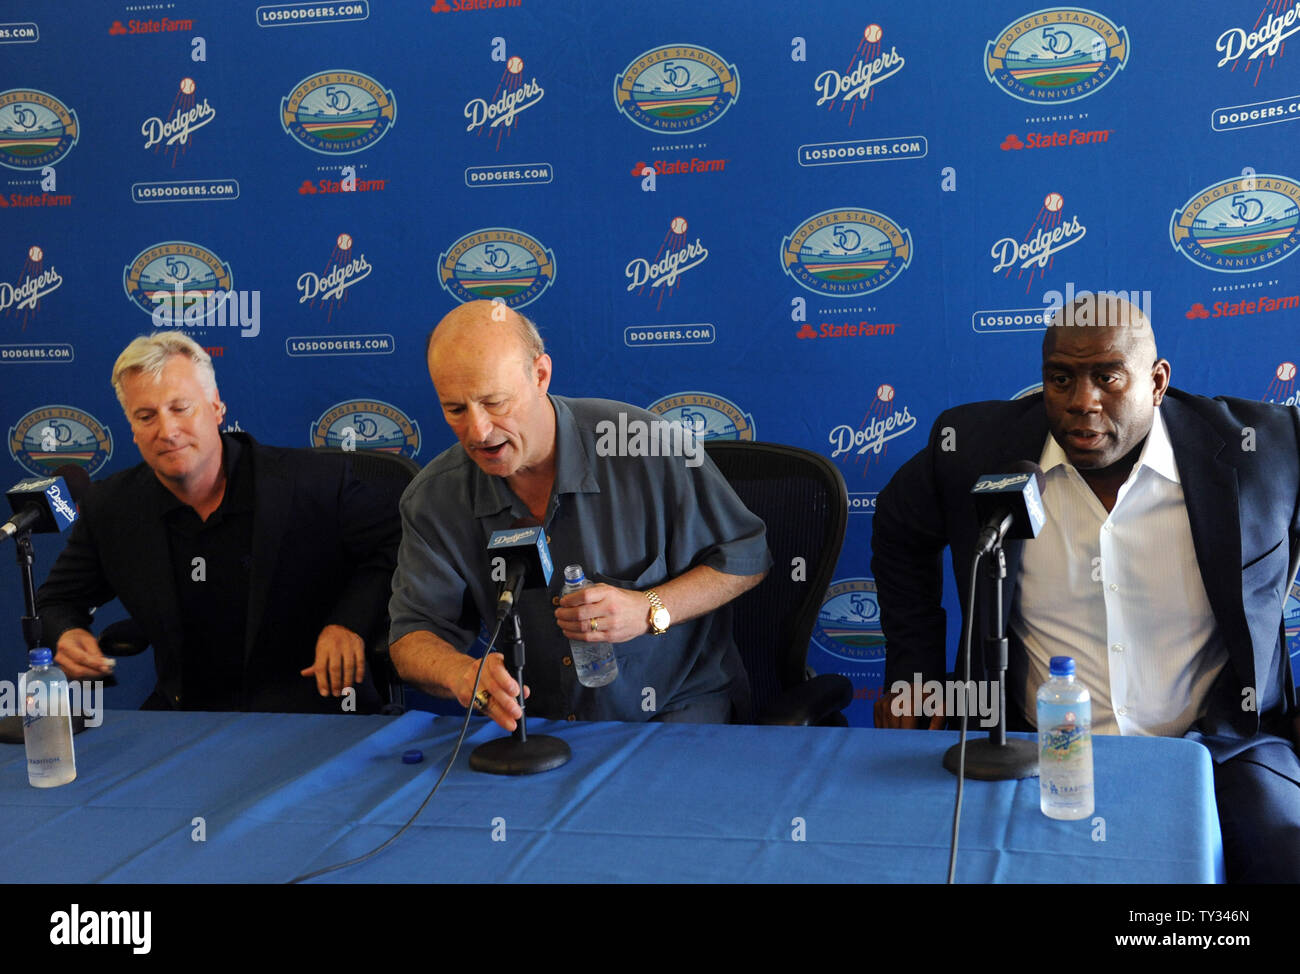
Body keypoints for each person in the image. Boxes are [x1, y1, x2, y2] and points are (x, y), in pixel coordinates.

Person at [871, 293, 1300, 882]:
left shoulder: (1266, 450)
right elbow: (898, 529)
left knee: (1285, 855)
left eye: (1107, 377)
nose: (1082, 402)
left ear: (1157, 382)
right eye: (1061, 379)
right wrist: (911, 670)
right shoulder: (974, 450)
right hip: (1030, 750)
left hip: (1223, 746)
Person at [388, 300, 770, 728]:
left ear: (540, 375)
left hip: (673, 710)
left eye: (495, 402)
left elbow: (746, 560)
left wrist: (648, 608)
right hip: (539, 725)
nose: (478, 431)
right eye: (455, 409)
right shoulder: (434, 498)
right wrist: (459, 672)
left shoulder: (644, 446)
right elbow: (412, 637)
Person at [36, 332, 402, 713]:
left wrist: (349, 622)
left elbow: (394, 550)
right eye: (146, 416)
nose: (167, 431)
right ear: (131, 427)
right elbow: (57, 600)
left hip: (316, 704)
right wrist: (68, 632)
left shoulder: (314, 483)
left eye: (181, 408)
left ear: (216, 408)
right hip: (187, 712)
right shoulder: (111, 505)